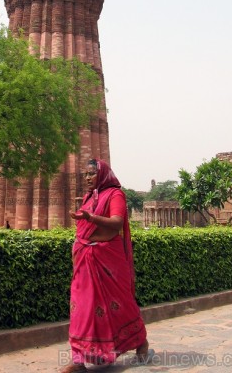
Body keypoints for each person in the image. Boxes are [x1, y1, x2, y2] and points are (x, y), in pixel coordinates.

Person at [62, 158, 154, 372]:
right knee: (82, 307)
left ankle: (140, 342)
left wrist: (91, 218)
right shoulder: (89, 197)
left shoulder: (115, 194)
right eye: (85, 174)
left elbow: (116, 222)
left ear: (102, 174)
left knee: (120, 306)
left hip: (108, 261)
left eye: (91, 174)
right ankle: (79, 358)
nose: (87, 178)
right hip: (86, 260)